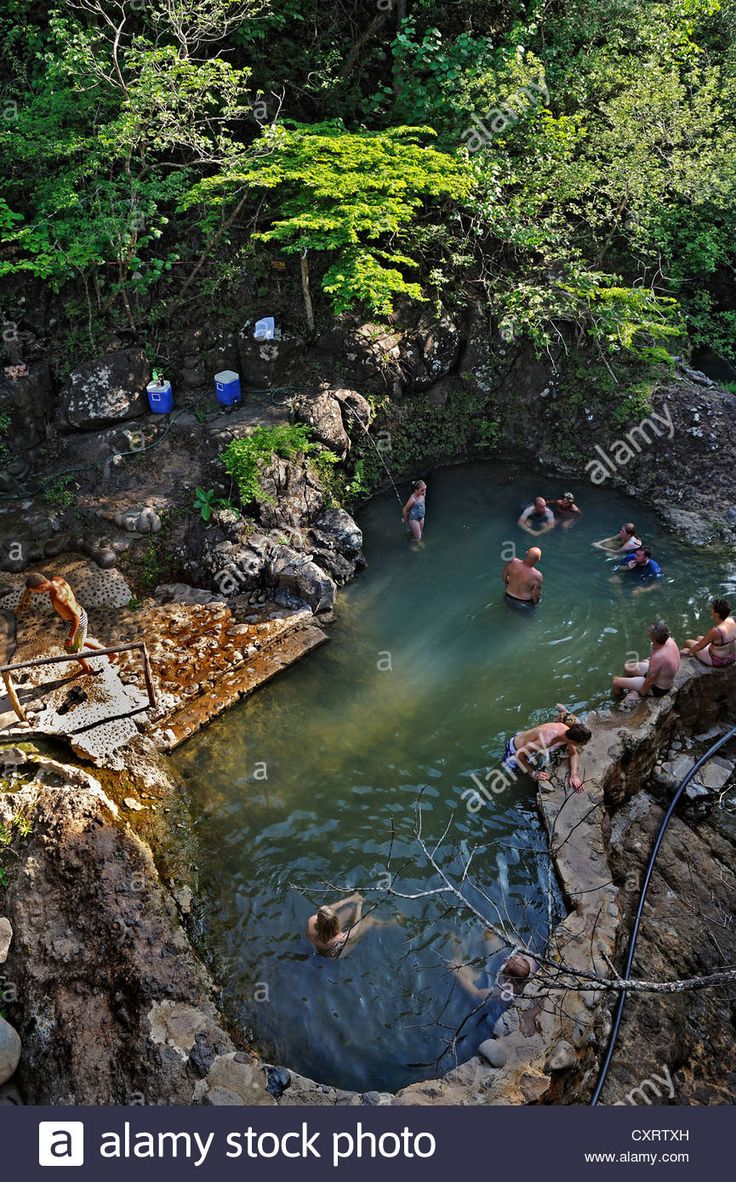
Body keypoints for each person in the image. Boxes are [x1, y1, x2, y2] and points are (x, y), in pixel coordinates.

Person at [17, 571, 112, 677]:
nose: (36, 593)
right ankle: (111, 653)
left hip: (76, 622)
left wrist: (70, 637)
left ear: (41, 586)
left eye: (35, 591)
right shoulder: (57, 579)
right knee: (82, 641)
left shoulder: (59, 596)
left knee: (72, 650)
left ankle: (87, 669)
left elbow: (75, 616)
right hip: (74, 617)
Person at [503, 718, 592, 792]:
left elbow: (573, 753)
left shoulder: (566, 730)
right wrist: (533, 773)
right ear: (573, 742)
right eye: (583, 743)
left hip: (528, 740)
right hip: (514, 749)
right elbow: (519, 755)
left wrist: (573, 775)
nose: (585, 744)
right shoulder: (546, 741)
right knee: (515, 774)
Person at [306, 893, 390, 958]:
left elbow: (323, 909)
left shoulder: (311, 921)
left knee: (349, 911)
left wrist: (350, 899)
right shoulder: (338, 938)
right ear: (335, 924)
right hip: (331, 954)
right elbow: (355, 929)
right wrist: (359, 906)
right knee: (368, 921)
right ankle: (391, 923)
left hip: (317, 947)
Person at [612, 620, 680, 699]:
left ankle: (618, 699)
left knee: (615, 682)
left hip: (658, 688)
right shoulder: (669, 640)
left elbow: (649, 681)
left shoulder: (658, 656)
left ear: (652, 638)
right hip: (660, 676)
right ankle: (628, 685)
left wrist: (641, 693)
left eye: (649, 631)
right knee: (627, 667)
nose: (647, 630)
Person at [449, 949, 538, 1002]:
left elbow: (477, 993)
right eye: (512, 957)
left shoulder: (503, 991)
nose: (505, 959)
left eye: (505, 965)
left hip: (485, 984)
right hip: (501, 977)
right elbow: (517, 943)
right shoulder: (531, 961)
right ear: (522, 959)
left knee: (455, 966)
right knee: (490, 935)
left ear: (510, 977)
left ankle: (457, 961)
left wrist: (458, 975)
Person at [681, 598, 736, 667]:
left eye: (712, 609)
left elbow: (699, 646)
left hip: (719, 660)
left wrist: (688, 652)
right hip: (733, 656)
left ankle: (685, 659)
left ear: (716, 614)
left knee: (688, 642)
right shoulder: (732, 620)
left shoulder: (716, 630)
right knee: (699, 638)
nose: (711, 610)